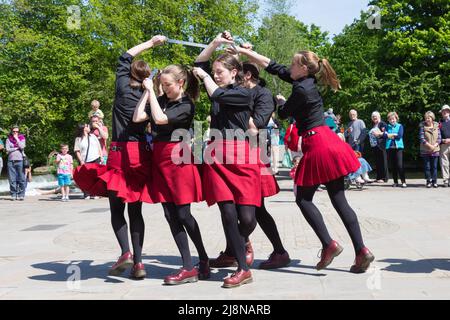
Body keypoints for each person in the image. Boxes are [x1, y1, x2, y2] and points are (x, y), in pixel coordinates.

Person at [234, 46, 375, 273]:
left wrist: (280, 102)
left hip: (317, 144)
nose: (289, 66)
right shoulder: (306, 82)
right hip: (329, 141)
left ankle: (329, 244)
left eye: (293, 64)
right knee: (340, 201)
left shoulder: (301, 90)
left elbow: (283, 113)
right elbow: (272, 66)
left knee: (304, 199)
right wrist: (244, 51)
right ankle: (362, 251)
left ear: (302, 68)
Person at [193, 31, 261, 287]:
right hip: (217, 155)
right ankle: (243, 268)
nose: (216, 74)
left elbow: (217, 94)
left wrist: (208, 77)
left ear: (235, 73)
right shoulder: (215, 84)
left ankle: (236, 246)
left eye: (220, 71)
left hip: (241, 155)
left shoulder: (244, 94)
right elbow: (198, 65)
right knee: (228, 214)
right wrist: (215, 43)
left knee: (247, 219)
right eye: (215, 72)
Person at [209, 60, 290, 271]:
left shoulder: (262, 94)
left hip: (252, 151)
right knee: (230, 208)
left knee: (257, 208)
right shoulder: (227, 91)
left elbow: (256, 127)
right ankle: (234, 251)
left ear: (245, 75)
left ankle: (277, 251)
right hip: (228, 151)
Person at [134, 60, 210, 285]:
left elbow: (159, 119)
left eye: (168, 85)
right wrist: (148, 94)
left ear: (181, 83)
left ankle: (200, 260)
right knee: (169, 215)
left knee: (184, 214)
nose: (164, 88)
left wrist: (151, 92)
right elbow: (138, 117)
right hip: (159, 158)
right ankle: (190, 265)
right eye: (162, 85)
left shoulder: (186, 104)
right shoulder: (161, 100)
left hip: (178, 157)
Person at [384, 112, 407, 188]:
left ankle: (403, 181)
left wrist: (390, 135)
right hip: (390, 148)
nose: (392, 120)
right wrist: (394, 134)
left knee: (400, 165)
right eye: (390, 119)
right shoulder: (387, 127)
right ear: (388, 120)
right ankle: (395, 182)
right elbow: (384, 136)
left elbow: (399, 136)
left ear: (396, 119)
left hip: (398, 148)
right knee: (393, 166)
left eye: (393, 119)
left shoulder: (400, 126)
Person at [419, 111, 441, 188]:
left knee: (434, 167)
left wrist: (434, 146)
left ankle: (434, 181)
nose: (427, 119)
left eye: (429, 118)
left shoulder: (437, 126)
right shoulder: (422, 127)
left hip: (435, 149)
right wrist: (429, 146)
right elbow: (422, 138)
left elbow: (439, 138)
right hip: (425, 150)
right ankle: (428, 181)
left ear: (432, 118)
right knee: (427, 167)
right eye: (426, 118)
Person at [6, 126, 26, 200]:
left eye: (17, 131)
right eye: (14, 131)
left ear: (19, 132)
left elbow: (22, 147)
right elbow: (7, 149)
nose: (15, 133)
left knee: (21, 178)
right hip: (11, 161)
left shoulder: (22, 138)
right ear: (12, 131)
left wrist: (17, 139)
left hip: (20, 160)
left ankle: (21, 194)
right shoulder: (8, 139)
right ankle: (13, 194)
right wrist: (16, 148)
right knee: (12, 179)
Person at [369, 111, 388, 182]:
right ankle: (379, 177)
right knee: (377, 161)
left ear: (379, 116)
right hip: (375, 146)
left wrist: (378, 134)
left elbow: (386, 133)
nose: (374, 117)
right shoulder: (373, 125)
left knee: (383, 161)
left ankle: (384, 178)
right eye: (373, 116)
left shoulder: (382, 124)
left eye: (375, 116)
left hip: (381, 145)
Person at [439, 104, 450, 187]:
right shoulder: (439, 123)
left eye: (447, 111)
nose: (445, 112)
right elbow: (437, 135)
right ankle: (446, 180)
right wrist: (442, 140)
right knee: (444, 163)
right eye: (443, 111)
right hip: (443, 145)